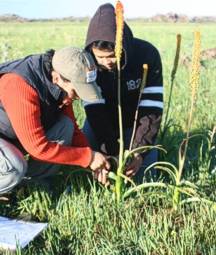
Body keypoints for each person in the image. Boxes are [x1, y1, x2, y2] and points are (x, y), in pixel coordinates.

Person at [0, 47, 111, 195]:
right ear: (56, 78)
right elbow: (37, 148)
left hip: (11, 133)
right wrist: (87, 158)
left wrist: (92, 156)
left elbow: (73, 130)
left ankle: (31, 186)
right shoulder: (19, 85)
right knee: (13, 167)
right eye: (76, 91)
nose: (77, 97)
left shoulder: (59, 83)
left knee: (65, 126)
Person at [83, 3, 163, 183]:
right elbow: (94, 111)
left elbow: (152, 109)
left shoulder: (147, 55)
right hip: (101, 122)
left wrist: (139, 152)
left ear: (122, 46)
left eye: (112, 56)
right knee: (89, 171)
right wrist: (109, 153)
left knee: (146, 178)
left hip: (134, 125)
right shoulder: (86, 61)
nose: (106, 62)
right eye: (100, 57)